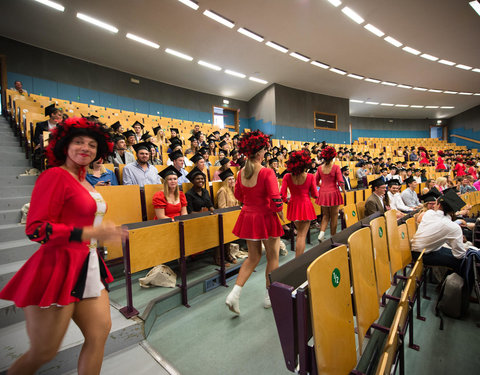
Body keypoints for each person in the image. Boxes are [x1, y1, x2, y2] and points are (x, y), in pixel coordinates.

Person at [0, 117, 125, 375]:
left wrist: (100, 234)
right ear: (64, 146)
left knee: (99, 334)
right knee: (44, 352)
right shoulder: (55, 175)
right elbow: (36, 229)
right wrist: (87, 232)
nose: (85, 148)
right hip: (57, 268)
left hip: (89, 266)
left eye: (91, 144)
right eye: (78, 142)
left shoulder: (87, 182)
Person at [225, 130, 284, 315]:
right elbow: (276, 199)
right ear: (259, 153)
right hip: (265, 217)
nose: (266, 153)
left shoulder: (241, 172)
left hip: (248, 216)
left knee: (253, 258)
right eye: (265, 150)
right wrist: (281, 215)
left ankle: (234, 294)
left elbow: (238, 196)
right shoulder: (267, 172)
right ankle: (270, 297)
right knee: (273, 257)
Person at [411, 190, 468, 273]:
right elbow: (459, 255)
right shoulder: (452, 226)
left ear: (439, 205)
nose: (434, 205)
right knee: (463, 261)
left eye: (436, 203)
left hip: (420, 250)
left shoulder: (429, 213)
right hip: (424, 254)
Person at [280, 150, 317, 257]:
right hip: (306, 206)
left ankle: (297, 259)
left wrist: (288, 201)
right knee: (301, 235)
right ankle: (298, 260)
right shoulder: (310, 176)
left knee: (299, 234)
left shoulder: (287, 176)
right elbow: (315, 194)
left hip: (293, 206)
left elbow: (282, 195)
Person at [315, 146, 344, 241]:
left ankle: (321, 234)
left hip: (323, 193)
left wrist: (322, 186)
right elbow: (341, 182)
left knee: (325, 215)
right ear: (333, 157)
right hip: (334, 193)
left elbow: (315, 181)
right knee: (334, 216)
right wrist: (344, 191)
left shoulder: (319, 168)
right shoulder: (336, 167)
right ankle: (333, 237)